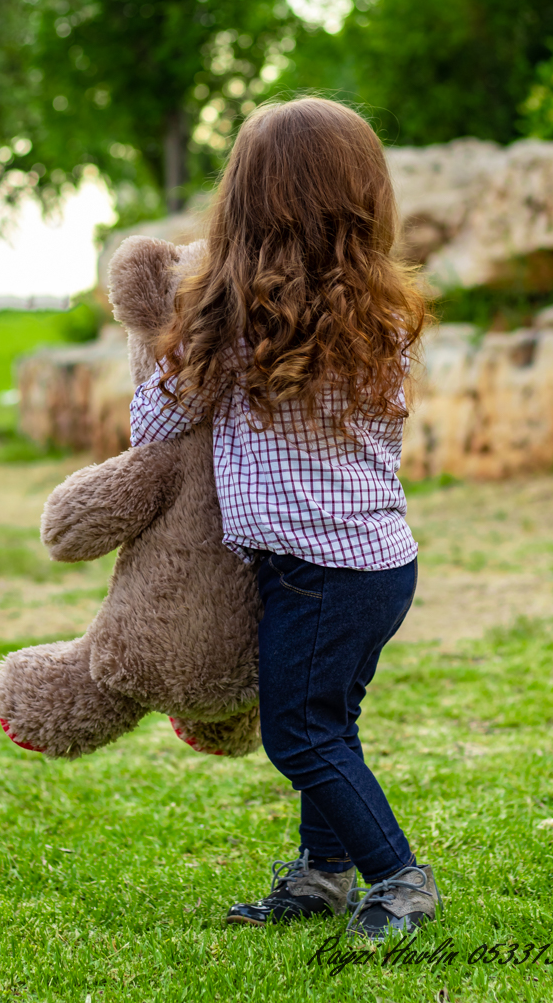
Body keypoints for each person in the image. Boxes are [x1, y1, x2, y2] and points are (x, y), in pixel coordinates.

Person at [129, 96, 441, 940]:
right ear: (363, 201)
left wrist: (164, 340)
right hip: (380, 564)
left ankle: (399, 879)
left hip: (314, 573)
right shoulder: (383, 315)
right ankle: (322, 875)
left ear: (243, 204)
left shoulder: (229, 322)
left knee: (300, 734)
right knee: (329, 721)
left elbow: (153, 428)